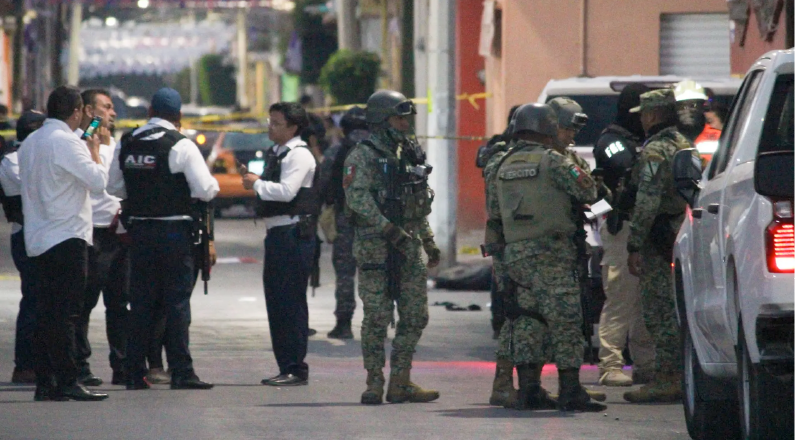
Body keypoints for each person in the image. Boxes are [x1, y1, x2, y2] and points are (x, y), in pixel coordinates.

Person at [492, 103, 605, 412]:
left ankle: (529, 390)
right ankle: (570, 390)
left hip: (516, 255)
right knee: (565, 320)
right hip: (552, 253)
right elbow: (588, 192)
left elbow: (494, 213)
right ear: (547, 129)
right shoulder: (554, 161)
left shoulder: (501, 164)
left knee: (527, 319)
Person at [108, 87, 219, 391]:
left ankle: (134, 372)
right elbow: (205, 190)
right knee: (176, 304)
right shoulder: (180, 144)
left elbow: (113, 187)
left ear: (149, 113)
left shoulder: (128, 141)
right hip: (174, 233)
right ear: (178, 116)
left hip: (140, 233)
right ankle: (181, 371)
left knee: (141, 303)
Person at [344, 90, 441, 405]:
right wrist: (386, 228)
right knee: (377, 317)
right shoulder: (363, 155)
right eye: (399, 119)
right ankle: (374, 381)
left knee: (415, 315)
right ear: (381, 120)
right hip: (375, 249)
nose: (405, 124)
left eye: (406, 118)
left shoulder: (409, 155)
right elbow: (357, 198)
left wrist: (429, 242)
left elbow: (417, 205)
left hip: (408, 247)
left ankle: (401, 380)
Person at [19, 85, 109, 401]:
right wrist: (95, 151)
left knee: (46, 314)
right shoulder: (67, 141)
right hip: (67, 236)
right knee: (66, 314)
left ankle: (46, 382)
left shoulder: (31, 142)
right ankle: (69, 379)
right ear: (76, 112)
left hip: (38, 237)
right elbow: (98, 182)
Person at [241, 102, 318, 387]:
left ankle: (295, 367)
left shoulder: (299, 155)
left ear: (293, 127)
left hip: (293, 234)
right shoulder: (277, 152)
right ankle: (285, 365)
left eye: (276, 123)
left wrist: (256, 183)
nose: (270, 127)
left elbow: (287, 192)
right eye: (269, 121)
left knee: (290, 302)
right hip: (277, 233)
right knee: (276, 302)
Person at [623, 89, 693, 403]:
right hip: (681, 231)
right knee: (676, 306)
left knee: (658, 310)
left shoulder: (655, 151)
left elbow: (648, 200)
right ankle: (680, 375)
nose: (640, 119)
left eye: (643, 113)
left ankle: (667, 378)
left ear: (652, 114)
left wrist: (634, 244)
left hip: (660, 238)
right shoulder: (684, 143)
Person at [592, 84, 656, 387]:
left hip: (646, 227)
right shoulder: (612, 141)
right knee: (620, 296)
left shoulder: (646, 141)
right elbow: (626, 167)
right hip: (623, 226)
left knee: (646, 300)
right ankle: (610, 364)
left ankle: (646, 363)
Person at [72, 89, 129, 387]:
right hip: (92, 232)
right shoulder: (80, 144)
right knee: (84, 304)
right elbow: (97, 184)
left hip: (118, 233)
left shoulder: (114, 144)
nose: (113, 113)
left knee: (119, 304)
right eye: (106, 107)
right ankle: (80, 365)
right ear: (89, 111)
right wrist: (96, 143)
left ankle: (122, 364)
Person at [1, 111, 46, 384]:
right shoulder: (12, 161)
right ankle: (25, 365)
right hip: (26, 235)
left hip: (46, 234)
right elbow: (32, 191)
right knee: (33, 299)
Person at [325, 106, 368, 339]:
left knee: (345, 274)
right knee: (375, 273)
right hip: (377, 223)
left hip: (345, 219)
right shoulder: (382, 152)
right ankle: (378, 322)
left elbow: (323, 184)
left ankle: (344, 324)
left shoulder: (336, 152)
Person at [477, 104, 519, 341]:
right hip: (503, 226)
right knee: (502, 278)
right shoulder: (499, 147)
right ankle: (500, 322)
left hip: (507, 225)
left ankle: (502, 324)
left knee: (504, 278)